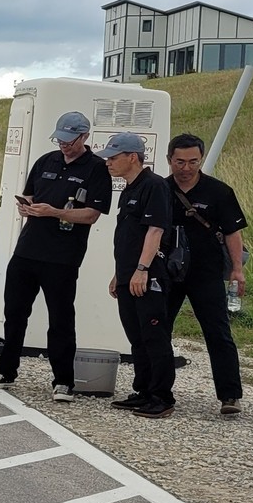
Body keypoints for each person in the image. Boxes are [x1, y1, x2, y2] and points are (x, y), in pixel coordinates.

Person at [0, 110, 112, 401]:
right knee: (14, 313)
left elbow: (92, 214)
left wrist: (55, 212)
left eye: (70, 140)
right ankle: (6, 371)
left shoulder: (96, 168)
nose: (64, 145)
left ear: (84, 137)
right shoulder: (46, 160)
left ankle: (63, 381)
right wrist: (26, 206)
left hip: (62, 256)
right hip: (28, 249)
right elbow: (30, 194)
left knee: (61, 319)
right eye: (60, 139)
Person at [162, 133, 247, 416]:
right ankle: (156, 390)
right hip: (168, 272)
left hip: (206, 272)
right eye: (179, 162)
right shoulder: (159, 189)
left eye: (193, 162)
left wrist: (237, 269)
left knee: (218, 332)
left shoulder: (219, 192)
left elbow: (234, 233)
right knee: (158, 330)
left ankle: (230, 395)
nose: (185, 168)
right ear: (169, 160)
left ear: (201, 160)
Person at [98, 132, 176, 418]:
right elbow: (129, 237)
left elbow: (155, 231)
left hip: (148, 274)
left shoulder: (153, 186)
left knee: (154, 335)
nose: (108, 163)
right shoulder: (130, 188)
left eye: (114, 157)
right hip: (128, 274)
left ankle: (162, 396)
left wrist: (142, 270)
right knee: (136, 336)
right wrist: (119, 274)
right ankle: (143, 391)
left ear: (133, 157)